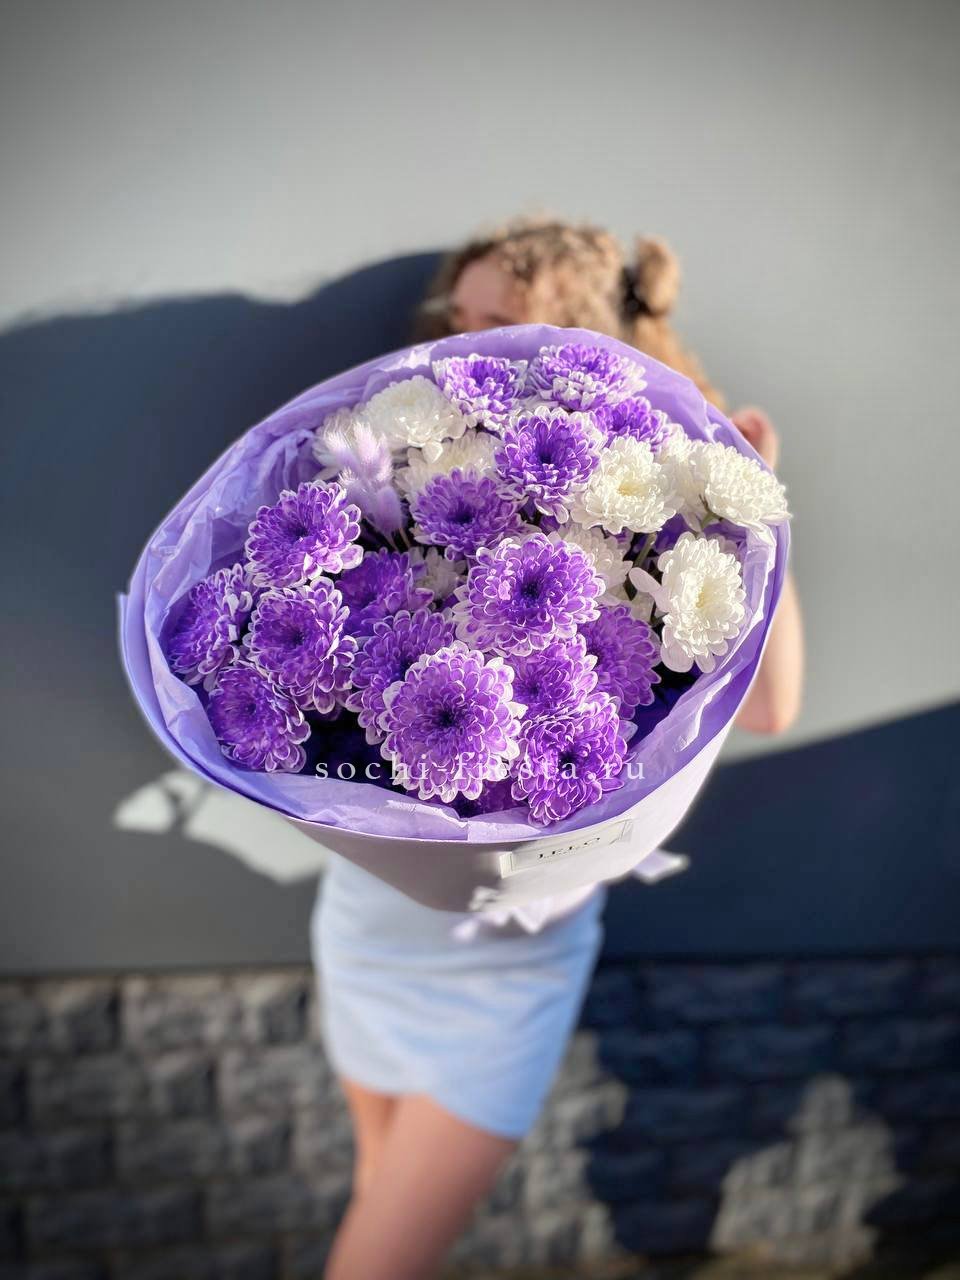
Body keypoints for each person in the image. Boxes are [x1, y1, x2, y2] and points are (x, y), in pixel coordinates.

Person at [316, 217, 805, 1280]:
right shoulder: (415, 453)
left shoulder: (666, 478)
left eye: (494, 319)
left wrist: (752, 523)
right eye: (457, 313)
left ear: (571, 337)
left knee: (379, 1258)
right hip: (372, 927)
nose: (458, 339)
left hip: (510, 961)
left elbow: (770, 707)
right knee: (374, 1200)